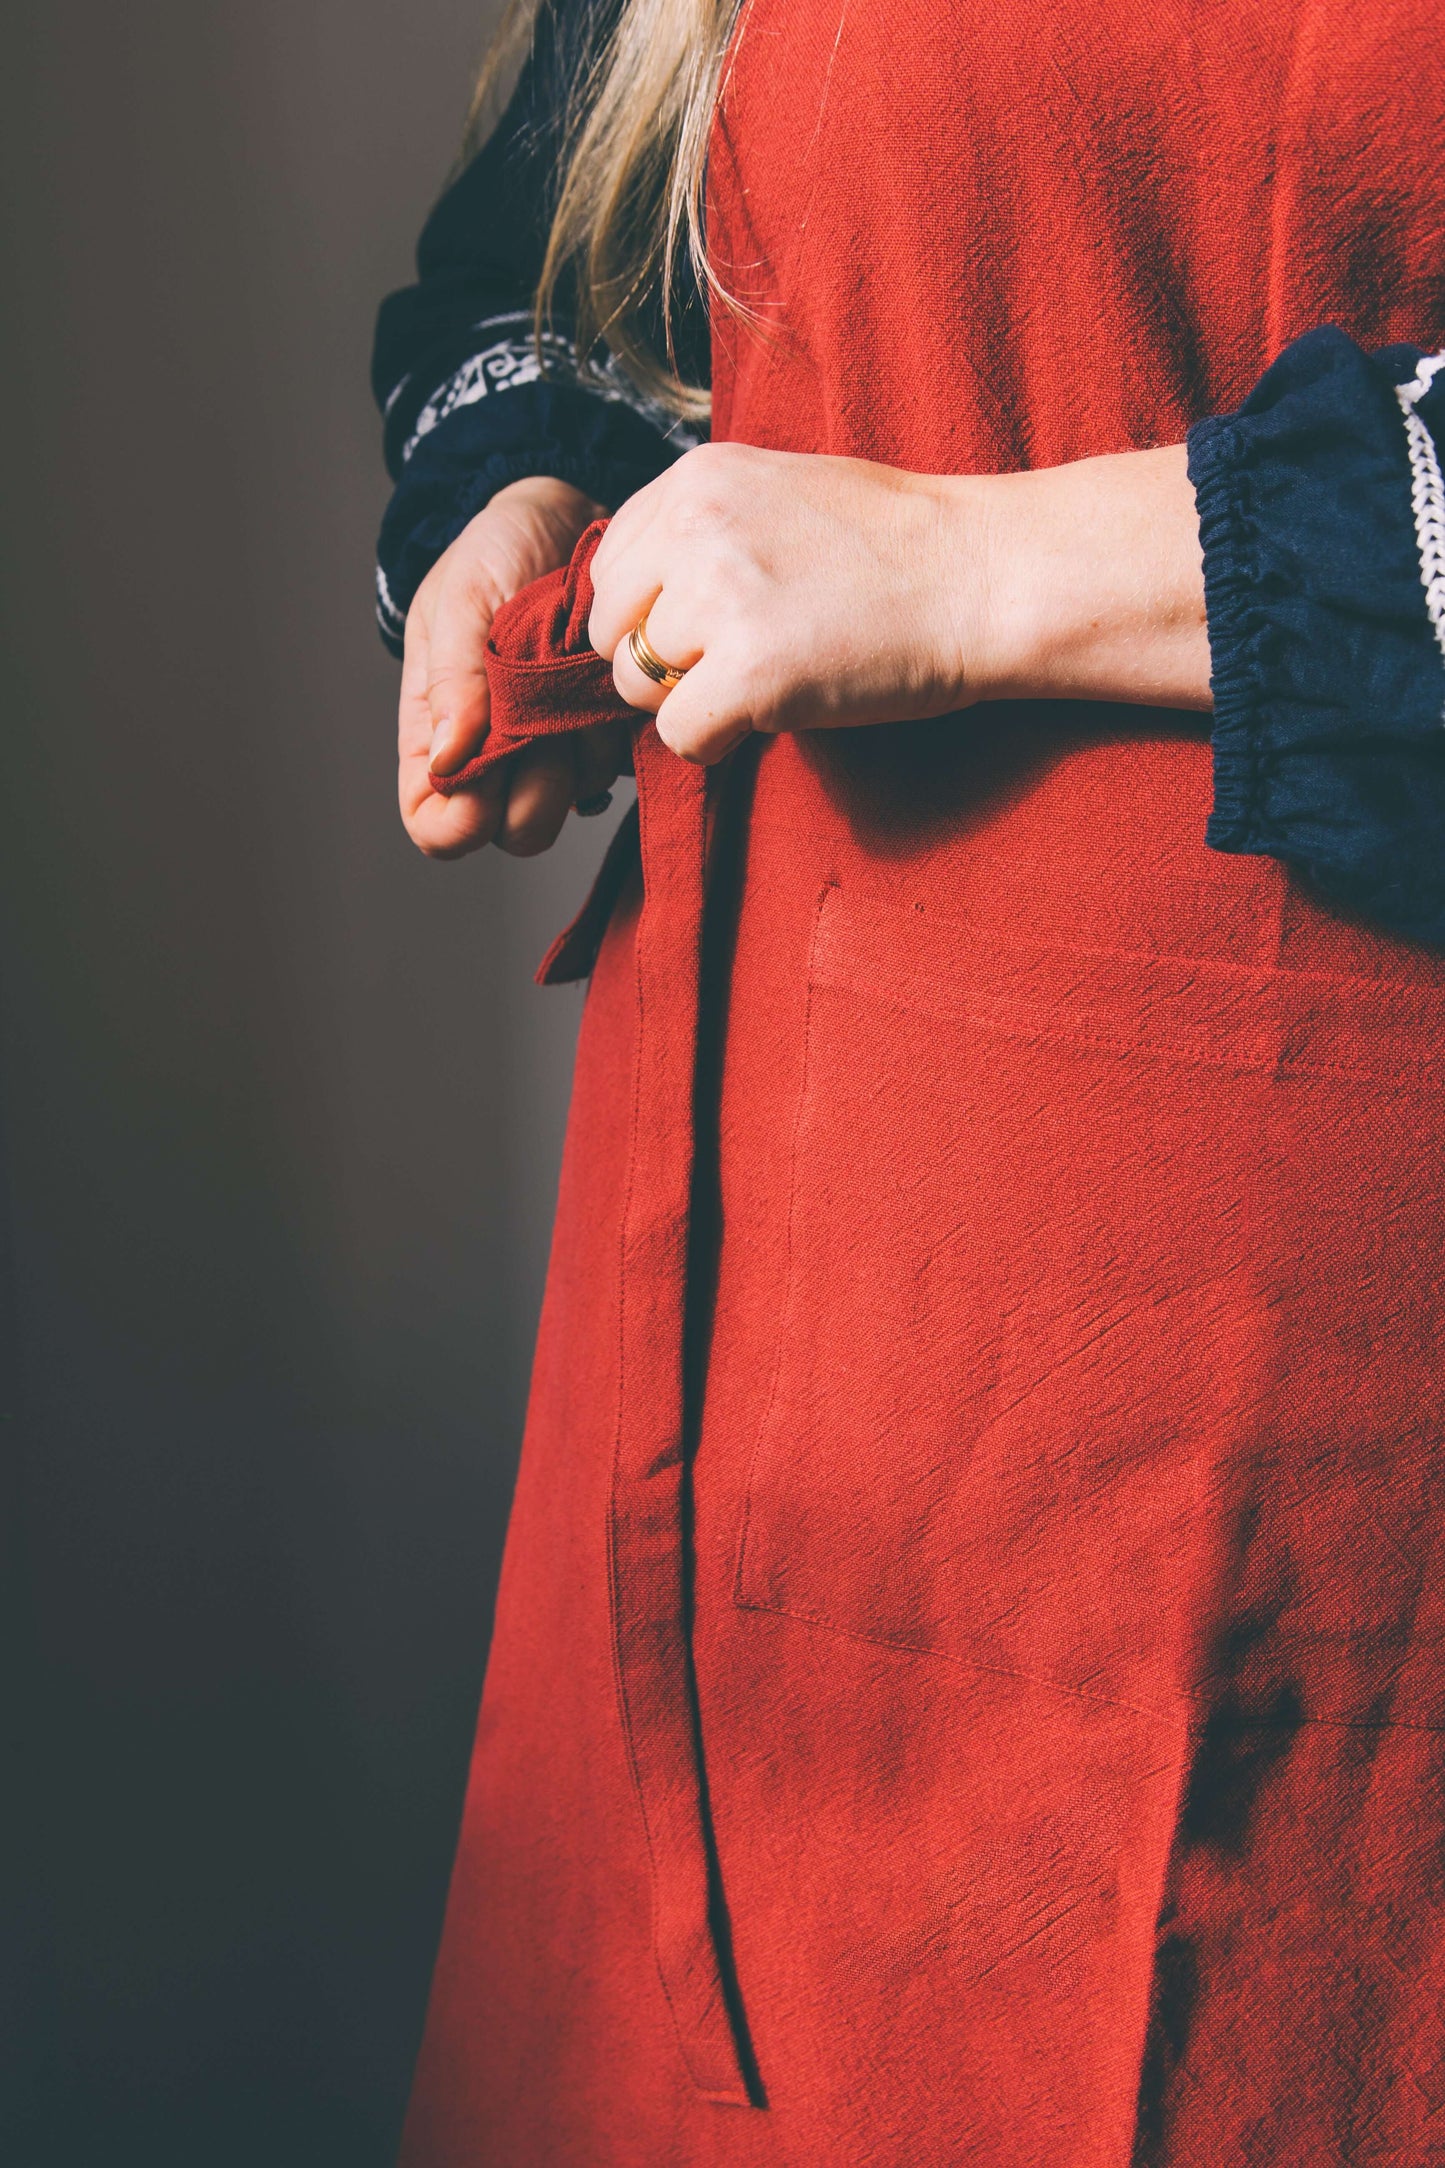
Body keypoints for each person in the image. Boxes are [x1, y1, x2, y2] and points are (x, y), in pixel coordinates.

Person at [372, 1, 1445, 2160]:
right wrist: (518, 492)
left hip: (1305, 1406)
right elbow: (571, 234)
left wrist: (963, 564)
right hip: (755, 1279)